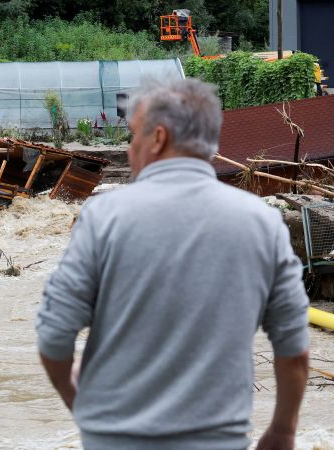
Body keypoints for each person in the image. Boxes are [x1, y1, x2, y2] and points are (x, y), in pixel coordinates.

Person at [35, 77, 309, 450]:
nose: (131, 148)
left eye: (133, 135)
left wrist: (82, 406)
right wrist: (282, 430)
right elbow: (293, 350)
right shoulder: (262, 222)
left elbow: (53, 336)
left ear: (158, 138)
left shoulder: (104, 216)